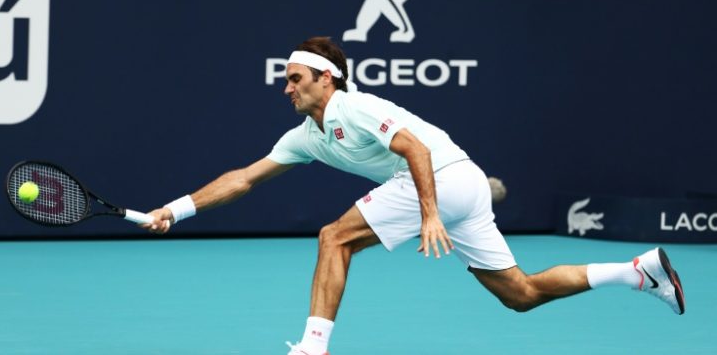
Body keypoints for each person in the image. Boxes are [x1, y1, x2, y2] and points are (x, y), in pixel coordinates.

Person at [142, 37, 685, 355]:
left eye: (296, 78)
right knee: (519, 294)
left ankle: (312, 346)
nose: (287, 87)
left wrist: (429, 214)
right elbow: (244, 178)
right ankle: (638, 271)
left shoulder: (353, 106)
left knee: (334, 238)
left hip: (441, 178)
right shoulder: (304, 135)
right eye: (285, 80)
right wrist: (176, 210)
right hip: (466, 186)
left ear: (327, 79)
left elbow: (415, 151)